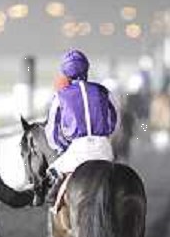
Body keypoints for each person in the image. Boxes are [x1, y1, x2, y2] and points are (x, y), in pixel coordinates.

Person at [44, 49, 118, 204]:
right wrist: (105, 136)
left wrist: (61, 148)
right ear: (87, 69)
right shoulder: (103, 91)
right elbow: (114, 119)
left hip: (77, 150)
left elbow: (51, 133)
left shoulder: (60, 96)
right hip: (104, 149)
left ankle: (53, 202)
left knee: (51, 172)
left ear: (66, 73)